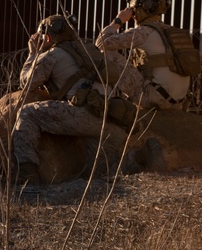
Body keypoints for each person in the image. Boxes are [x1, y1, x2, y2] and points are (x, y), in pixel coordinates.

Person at [10, 14, 124, 183]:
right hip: (109, 114)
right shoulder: (89, 49)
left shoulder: (53, 55)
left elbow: (26, 82)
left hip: (83, 114)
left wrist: (33, 54)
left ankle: (27, 173)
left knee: (27, 113)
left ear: (48, 37)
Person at [95, 0, 191, 111]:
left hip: (155, 99)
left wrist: (119, 20)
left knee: (106, 53)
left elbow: (101, 44)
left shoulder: (144, 32)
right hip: (178, 103)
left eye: (134, 11)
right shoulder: (171, 31)